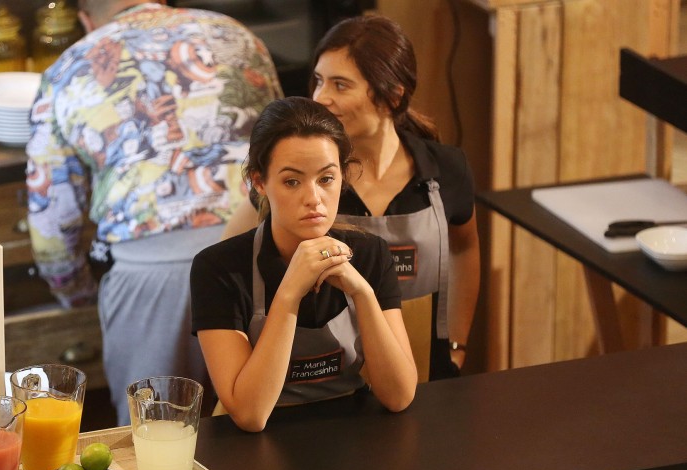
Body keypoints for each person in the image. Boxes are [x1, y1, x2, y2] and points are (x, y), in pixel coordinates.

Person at [26, 0, 282, 425]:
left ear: (87, 20)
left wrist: (77, 294)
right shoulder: (236, 35)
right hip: (259, 252)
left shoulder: (67, 70)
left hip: (152, 278)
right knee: (268, 426)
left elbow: (52, 217)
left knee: (155, 438)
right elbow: (284, 151)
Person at [223, 15, 480, 381]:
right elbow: (228, 261)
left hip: (423, 371)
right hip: (329, 379)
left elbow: (465, 249)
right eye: (318, 80)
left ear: (392, 96)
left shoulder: (446, 169)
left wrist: (457, 344)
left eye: (340, 85)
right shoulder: (307, 182)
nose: (320, 97)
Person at [190, 97, 418, 432]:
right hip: (255, 443)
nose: (313, 199)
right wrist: (289, 294)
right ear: (259, 182)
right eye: (292, 182)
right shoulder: (218, 269)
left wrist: (363, 293)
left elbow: (399, 396)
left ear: (343, 176)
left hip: (351, 432)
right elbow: (250, 415)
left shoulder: (371, 254)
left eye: (326, 179)